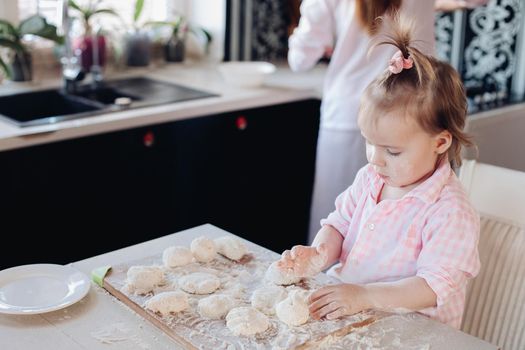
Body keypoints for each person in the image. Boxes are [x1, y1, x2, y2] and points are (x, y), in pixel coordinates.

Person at [278, 15, 480, 329]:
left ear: (440, 142)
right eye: (370, 144)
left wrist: (364, 296)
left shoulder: (450, 212)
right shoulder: (371, 178)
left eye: (392, 151)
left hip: (413, 332)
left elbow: (432, 287)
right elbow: (339, 225)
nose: (376, 159)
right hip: (357, 314)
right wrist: (320, 253)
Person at [288, 0, 437, 244]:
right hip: (414, 116)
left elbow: (299, 59)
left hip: (349, 112)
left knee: (333, 226)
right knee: (399, 231)